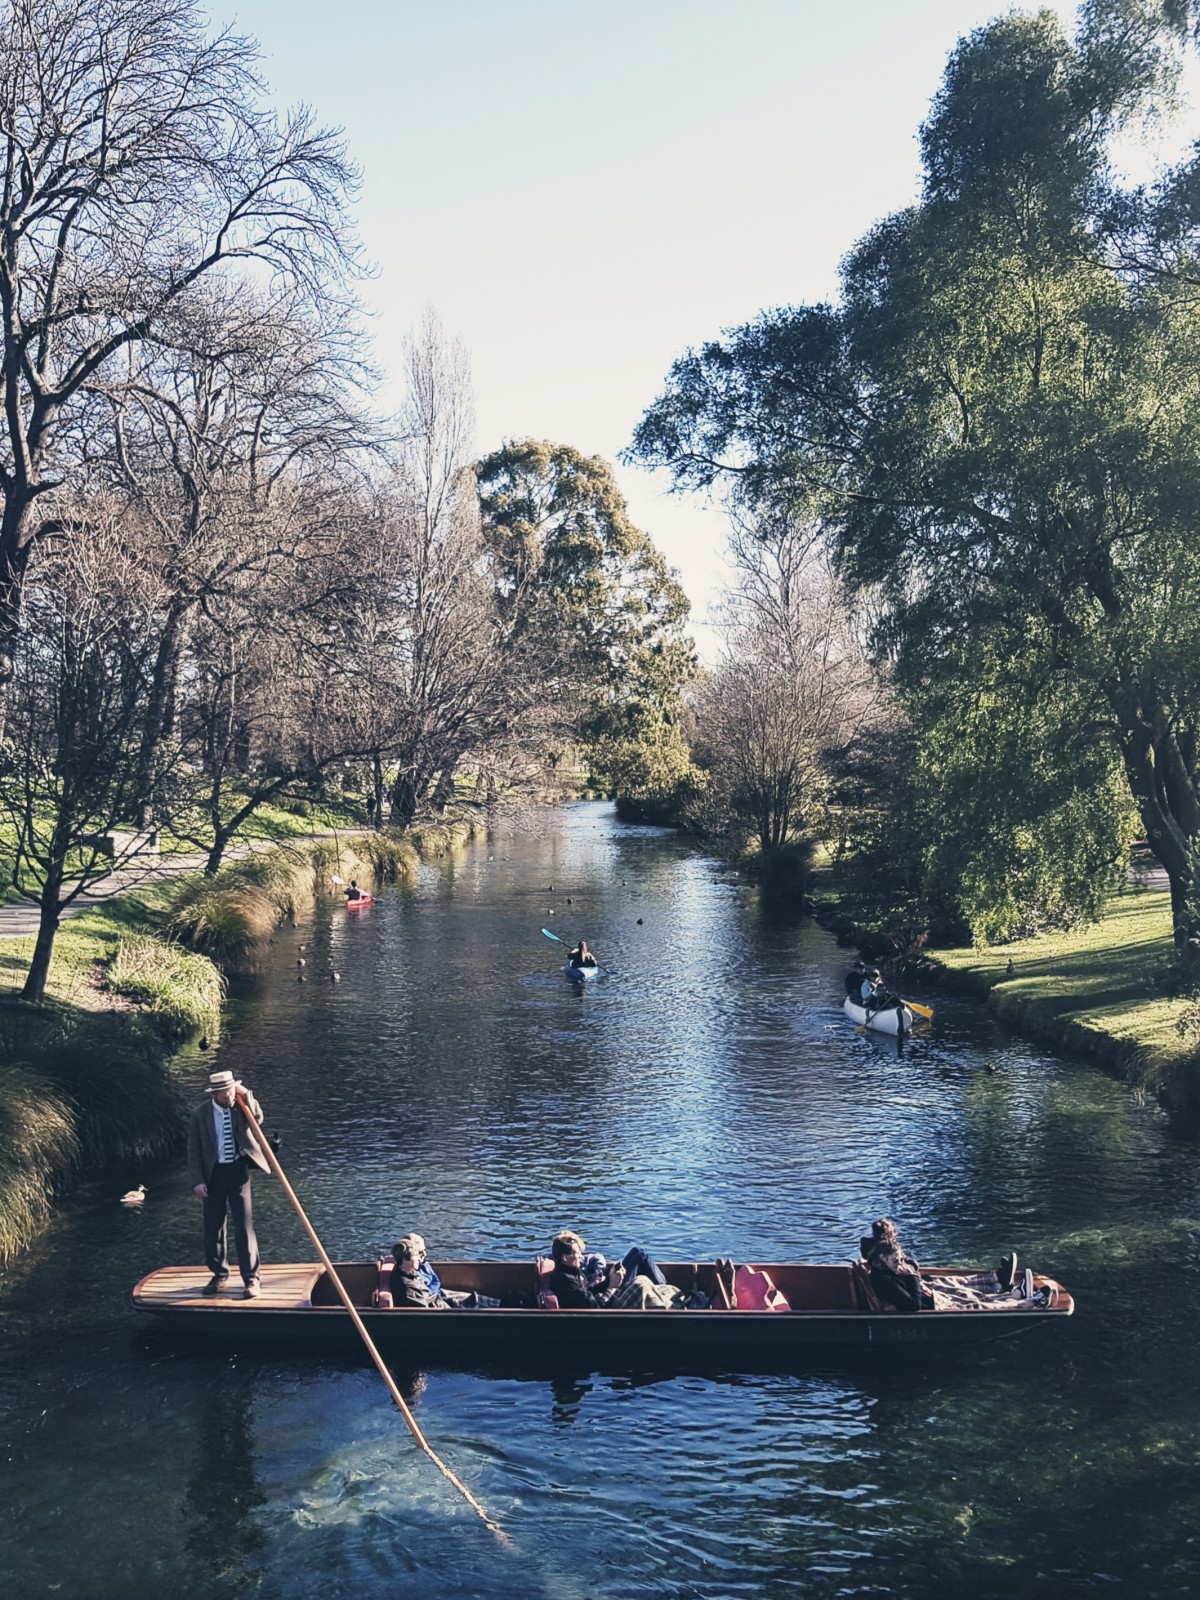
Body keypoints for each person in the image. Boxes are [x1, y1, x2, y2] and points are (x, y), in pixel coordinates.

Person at [186, 1070, 269, 1299]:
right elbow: (193, 1150)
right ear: (215, 1094)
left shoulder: (240, 1106)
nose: (229, 1098)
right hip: (213, 1175)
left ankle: (251, 1279)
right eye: (225, 1095)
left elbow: (258, 1119)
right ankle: (219, 1274)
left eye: (231, 1092)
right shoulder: (199, 1114)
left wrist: (247, 1095)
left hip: (238, 1171)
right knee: (213, 1227)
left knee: (244, 1226)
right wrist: (197, 1181)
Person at [544, 1230, 680, 1309]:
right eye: (577, 1253)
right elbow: (595, 1307)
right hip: (607, 1310)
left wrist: (610, 1278)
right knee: (640, 1278)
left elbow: (588, 1292)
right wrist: (613, 1286)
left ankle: (663, 1292)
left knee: (638, 1253)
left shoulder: (573, 1271)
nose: (581, 1256)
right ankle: (666, 1298)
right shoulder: (565, 1280)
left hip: (605, 1299)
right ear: (565, 1258)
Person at [390, 1235, 500, 1309]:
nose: (420, 1258)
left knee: (483, 1301)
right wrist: (457, 1308)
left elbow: (431, 1296)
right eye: (416, 1255)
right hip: (448, 1315)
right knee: (484, 1304)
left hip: (446, 1304)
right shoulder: (406, 1285)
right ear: (405, 1259)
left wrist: (451, 1301)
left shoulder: (411, 1275)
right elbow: (426, 1312)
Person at [860, 1218, 935, 1313]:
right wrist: (912, 1276)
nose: (900, 1263)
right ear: (882, 1257)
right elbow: (915, 1305)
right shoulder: (886, 1281)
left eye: (901, 1260)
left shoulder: (881, 1264)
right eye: (896, 1261)